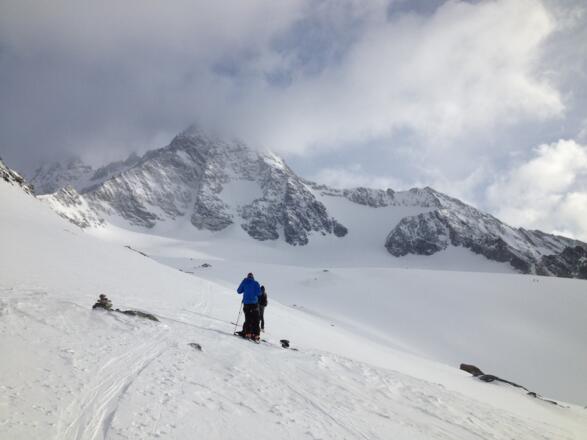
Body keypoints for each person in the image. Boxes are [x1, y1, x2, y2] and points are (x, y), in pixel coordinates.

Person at [236, 273, 262, 340]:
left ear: (247, 277)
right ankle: (256, 335)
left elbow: (239, 291)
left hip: (246, 304)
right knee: (256, 320)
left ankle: (248, 334)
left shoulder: (244, 282)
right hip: (254, 304)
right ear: (253, 277)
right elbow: (259, 293)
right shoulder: (256, 283)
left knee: (248, 319)